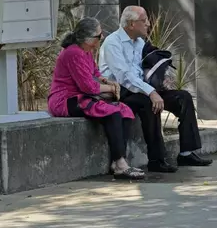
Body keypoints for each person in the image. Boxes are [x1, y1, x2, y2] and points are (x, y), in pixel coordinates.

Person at [99, 6, 212, 172]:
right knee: (149, 103)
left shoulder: (139, 42)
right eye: (144, 21)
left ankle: (187, 153)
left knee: (183, 97)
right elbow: (124, 77)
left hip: (142, 88)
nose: (148, 24)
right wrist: (151, 92)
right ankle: (156, 159)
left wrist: (160, 81)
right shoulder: (112, 43)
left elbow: (144, 69)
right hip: (122, 91)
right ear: (131, 24)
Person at [48, 17, 145, 180]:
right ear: (88, 38)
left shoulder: (86, 50)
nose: (101, 38)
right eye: (99, 36)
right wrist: (113, 88)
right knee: (112, 113)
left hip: (82, 96)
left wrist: (107, 81)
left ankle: (119, 160)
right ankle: (120, 163)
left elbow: (95, 74)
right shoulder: (73, 53)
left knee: (125, 111)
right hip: (66, 100)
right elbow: (88, 87)